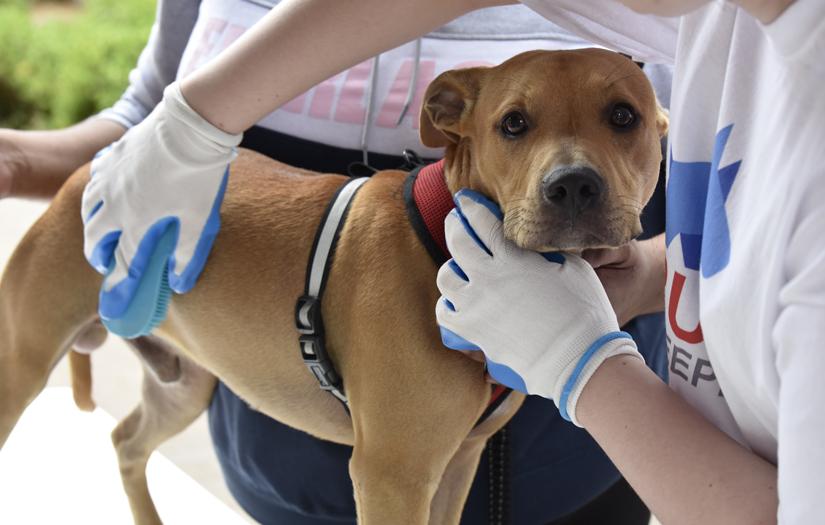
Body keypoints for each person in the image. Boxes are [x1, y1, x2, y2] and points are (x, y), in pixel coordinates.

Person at [73, 0, 824, 521]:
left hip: (613, 465)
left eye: (622, 117)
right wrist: (196, 115)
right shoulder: (724, 28)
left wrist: (584, 365)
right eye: (517, 125)